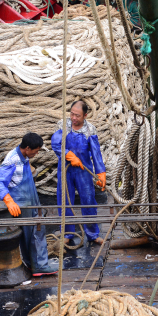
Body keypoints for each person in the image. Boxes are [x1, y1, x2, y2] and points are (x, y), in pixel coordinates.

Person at [0, 132, 59, 277]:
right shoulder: (12, 160)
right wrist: (9, 201)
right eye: (35, 152)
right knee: (34, 234)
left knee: (32, 233)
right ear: (27, 148)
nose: (36, 154)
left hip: (31, 199)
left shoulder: (23, 156)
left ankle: (32, 264)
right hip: (21, 203)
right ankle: (39, 266)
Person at [51, 100, 106, 245]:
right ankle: (67, 234)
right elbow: (56, 144)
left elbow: (96, 153)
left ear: (85, 115)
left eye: (78, 116)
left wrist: (101, 173)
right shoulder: (62, 125)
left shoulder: (90, 130)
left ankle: (93, 234)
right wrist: (69, 155)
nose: (74, 118)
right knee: (65, 201)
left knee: (88, 200)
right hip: (66, 170)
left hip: (83, 171)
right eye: (72, 114)